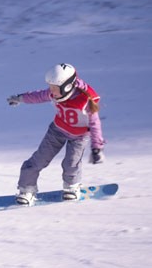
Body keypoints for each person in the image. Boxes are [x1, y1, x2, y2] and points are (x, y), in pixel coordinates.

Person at [7, 63, 105, 206]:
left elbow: (95, 125)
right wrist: (20, 98)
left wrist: (97, 148)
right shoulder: (54, 93)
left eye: (54, 87)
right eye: (50, 87)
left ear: (67, 86)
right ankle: (27, 190)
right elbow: (38, 96)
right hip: (57, 131)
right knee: (38, 160)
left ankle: (72, 187)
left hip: (79, 137)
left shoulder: (86, 100)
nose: (51, 91)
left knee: (71, 163)